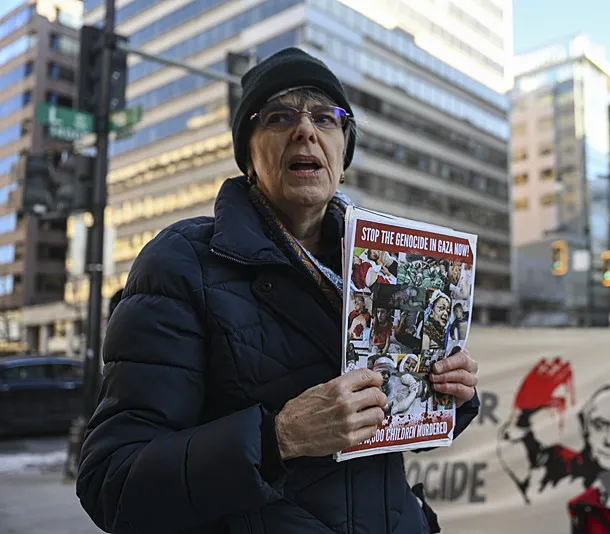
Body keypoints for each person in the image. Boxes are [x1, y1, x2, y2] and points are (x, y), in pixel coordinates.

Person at [76, 47, 480, 534]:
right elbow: (112, 481)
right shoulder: (181, 263)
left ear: (343, 156)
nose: (306, 130)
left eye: (326, 118)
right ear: (249, 156)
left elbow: (391, 427)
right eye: (279, 116)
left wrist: (446, 395)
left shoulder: (386, 266)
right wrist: (279, 438)